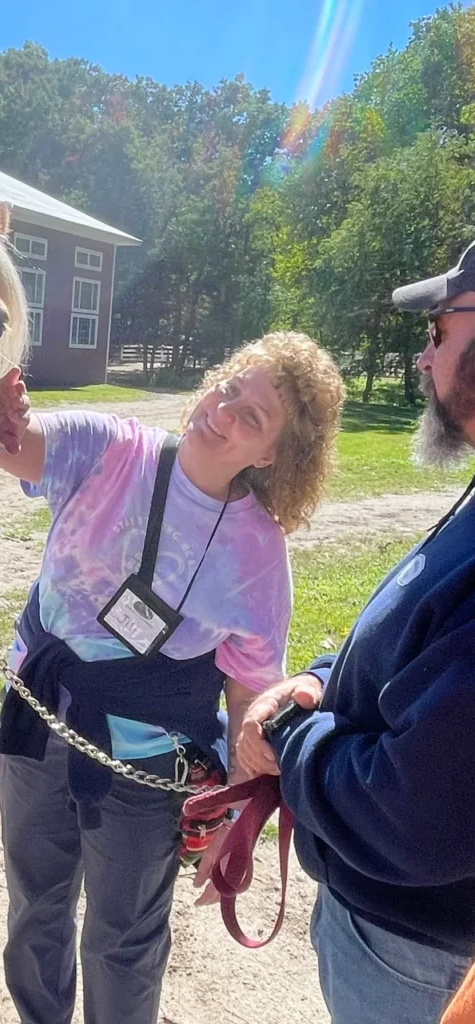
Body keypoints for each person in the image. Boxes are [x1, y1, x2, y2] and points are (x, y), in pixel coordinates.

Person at [0, 332, 345, 1024]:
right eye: (231, 387)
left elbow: (248, 700)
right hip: (36, 722)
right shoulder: (113, 448)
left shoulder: (259, 553)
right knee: (35, 910)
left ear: (271, 455)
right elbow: (16, 444)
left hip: (146, 769)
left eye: (254, 416)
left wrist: (241, 816)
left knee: (125, 941)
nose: (224, 410)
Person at [235, 240, 475, 1024]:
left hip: (418, 958)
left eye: (439, 333)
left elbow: (415, 812)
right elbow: (423, 639)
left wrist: (295, 732)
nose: (421, 357)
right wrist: (324, 675)